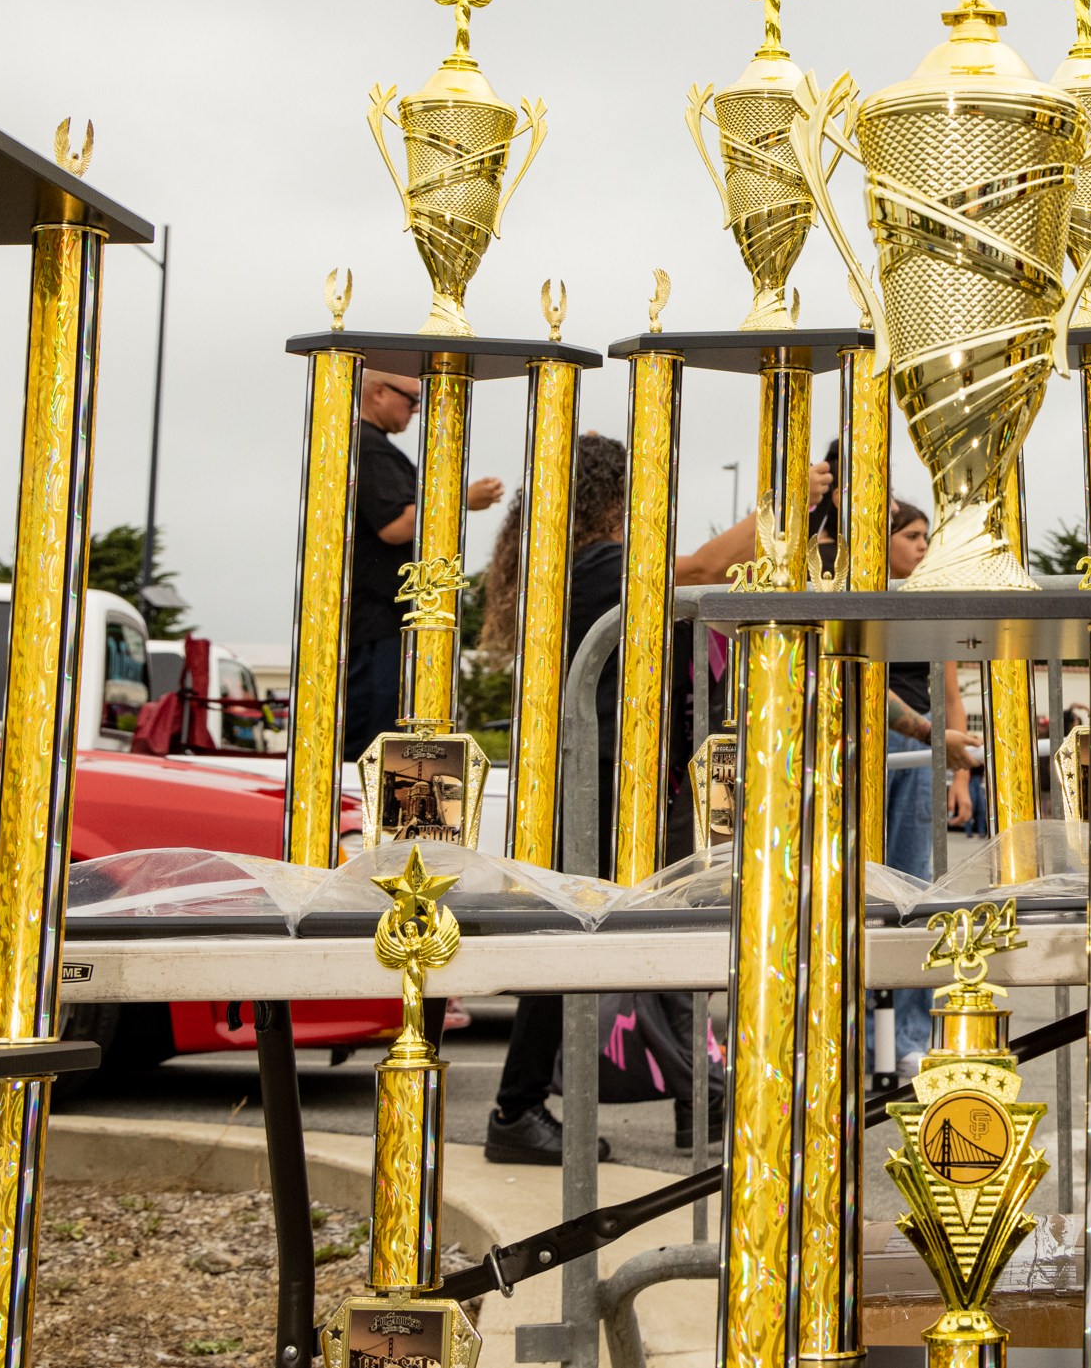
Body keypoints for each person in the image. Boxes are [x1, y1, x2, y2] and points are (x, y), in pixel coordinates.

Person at [477, 436, 831, 1164]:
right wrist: (784, 498)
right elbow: (699, 569)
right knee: (593, 943)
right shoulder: (598, 565)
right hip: (600, 781)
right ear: (607, 499)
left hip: (609, 777)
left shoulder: (572, 567)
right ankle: (523, 1107)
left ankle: (687, 1091)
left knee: (622, 942)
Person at [344, 370, 503, 761]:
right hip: (379, 621)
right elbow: (395, 526)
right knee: (375, 746)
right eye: (412, 399)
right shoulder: (368, 446)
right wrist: (459, 497)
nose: (417, 409)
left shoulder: (371, 445)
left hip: (382, 621)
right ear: (378, 392)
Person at [879, 499, 980, 1076]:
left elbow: (951, 694)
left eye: (926, 537)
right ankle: (867, 1034)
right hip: (884, 742)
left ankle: (909, 1037)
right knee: (867, 889)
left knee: (913, 891)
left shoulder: (930, 601)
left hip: (921, 751)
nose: (922, 545)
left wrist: (960, 772)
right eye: (911, 535)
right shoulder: (856, 590)